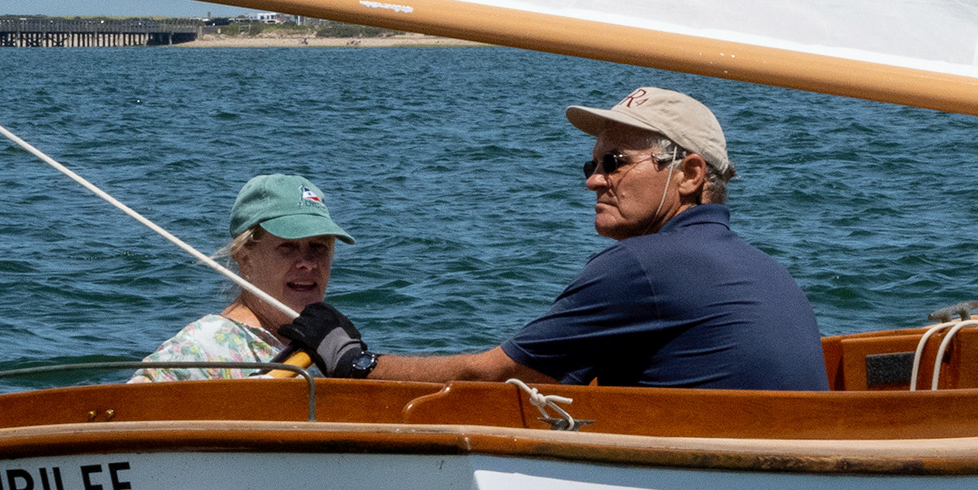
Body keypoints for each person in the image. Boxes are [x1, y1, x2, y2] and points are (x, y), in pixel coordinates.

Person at [371, 87, 826, 392]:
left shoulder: (643, 265)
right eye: (592, 166)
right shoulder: (771, 271)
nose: (593, 181)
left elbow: (495, 379)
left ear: (688, 174)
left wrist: (358, 365)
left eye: (615, 162)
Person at [135, 173, 369, 380]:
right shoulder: (199, 349)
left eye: (319, 247)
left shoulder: (328, 345)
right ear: (244, 257)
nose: (307, 263)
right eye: (287, 246)